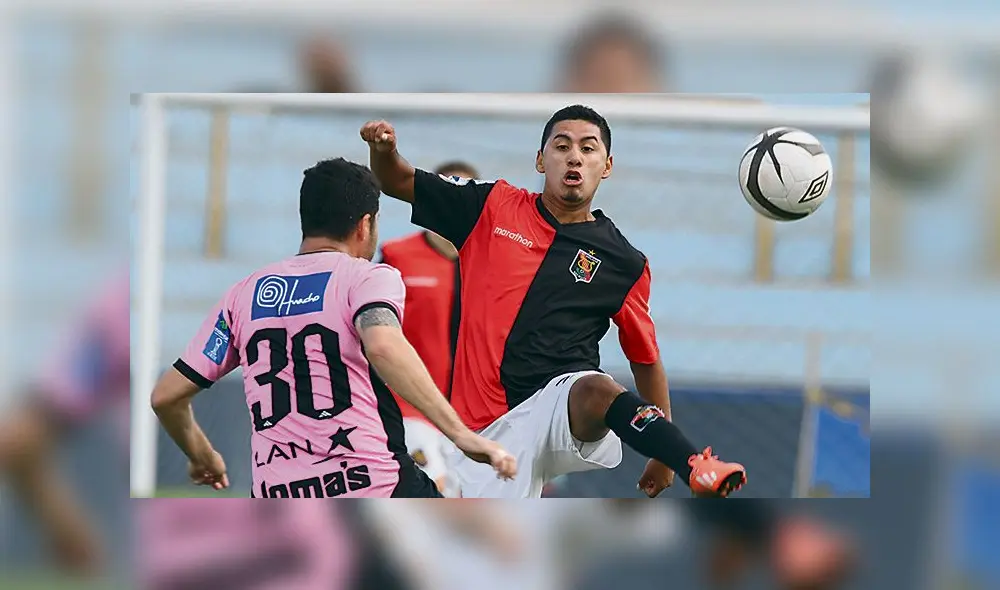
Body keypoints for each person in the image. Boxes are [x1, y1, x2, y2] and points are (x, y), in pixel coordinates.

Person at [360, 106, 745, 499]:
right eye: (562, 146)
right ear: (541, 160)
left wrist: (665, 457)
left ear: (606, 165)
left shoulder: (624, 262)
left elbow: (645, 359)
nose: (574, 156)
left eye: (588, 148)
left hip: (561, 407)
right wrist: (383, 151)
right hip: (487, 427)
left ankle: (695, 463)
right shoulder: (490, 206)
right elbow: (397, 180)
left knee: (596, 389)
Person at [150, 157, 516, 498]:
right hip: (372, 482)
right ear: (365, 224)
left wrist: (202, 455)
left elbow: (166, 396)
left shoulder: (244, 294)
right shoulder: (367, 277)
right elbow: (384, 346)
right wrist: (461, 435)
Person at [377, 160, 480, 498]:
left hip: (474, 414)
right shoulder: (397, 257)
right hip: (410, 408)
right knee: (433, 492)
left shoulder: (496, 263)